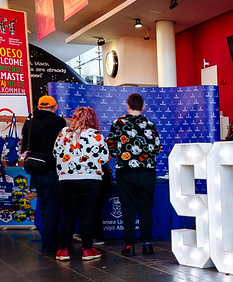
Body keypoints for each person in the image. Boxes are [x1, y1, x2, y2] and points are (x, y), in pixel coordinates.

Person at [107, 93, 162, 257]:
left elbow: (111, 147)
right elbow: (157, 148)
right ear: (143, 106)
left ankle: (129, 246)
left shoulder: (118, 123)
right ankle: (147, 245)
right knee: (146, 207)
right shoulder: (150, 124)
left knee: (128, 208)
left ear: (127, 105)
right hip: (147, 171)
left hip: (125, 171)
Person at [53, 107, 109, 261]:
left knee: (68, 215)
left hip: (66, 180)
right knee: (88, 215)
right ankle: (87, 249)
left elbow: (56, 153)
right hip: (91, 180)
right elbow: (104, 158)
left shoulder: (64, 132)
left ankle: (63, 250)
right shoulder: (96, 134)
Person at [20, 95, 67, 254]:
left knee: (44, 206)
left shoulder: (30, 121)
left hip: (35, 168)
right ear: (55, 107)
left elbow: (25, 144)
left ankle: (47, 241)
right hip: (51, 169)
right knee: (53, 207)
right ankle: (50, 244)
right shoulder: (58, 122)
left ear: (39, 107)